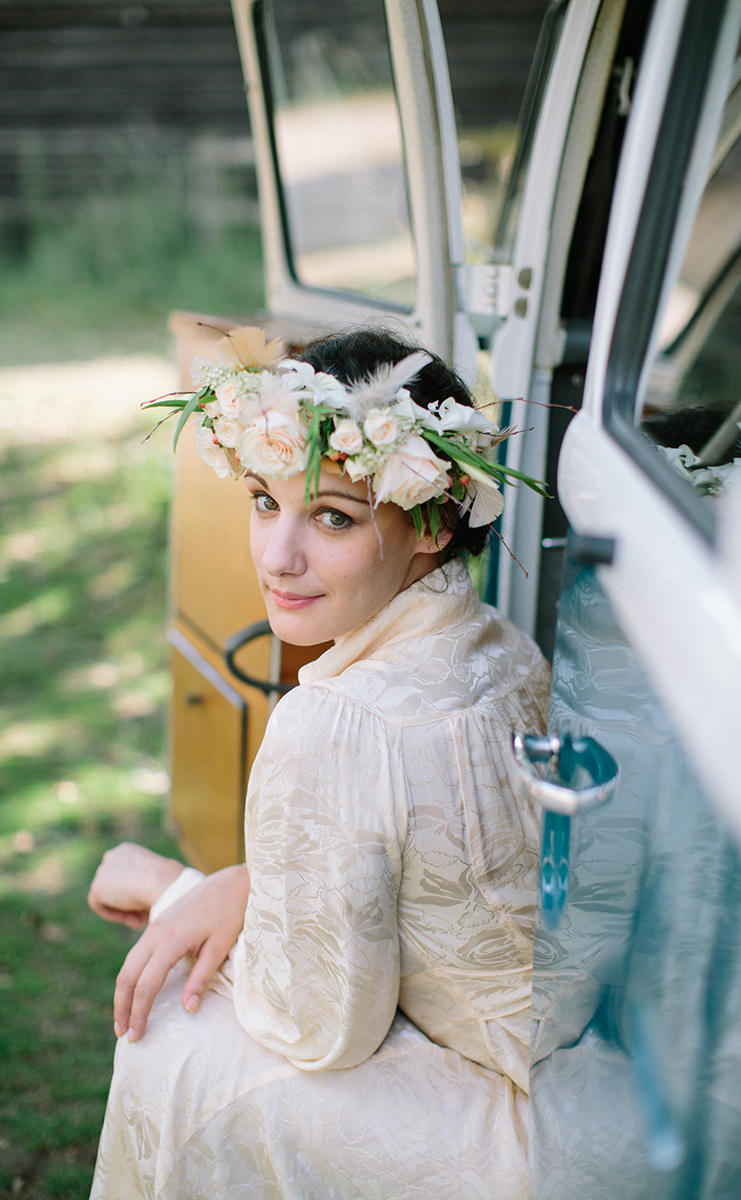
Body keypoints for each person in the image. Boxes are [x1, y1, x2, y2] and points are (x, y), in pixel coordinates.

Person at [87, 327, 551, 1200]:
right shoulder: (500, 645)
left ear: (431, 522)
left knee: (171, 1038)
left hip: (532, 1141)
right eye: (265, 500)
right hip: (604, 1068)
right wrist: (251, 879)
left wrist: (178, 890)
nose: (277, 555)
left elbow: (317, 1024)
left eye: (333, 515)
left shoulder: (334, 721)